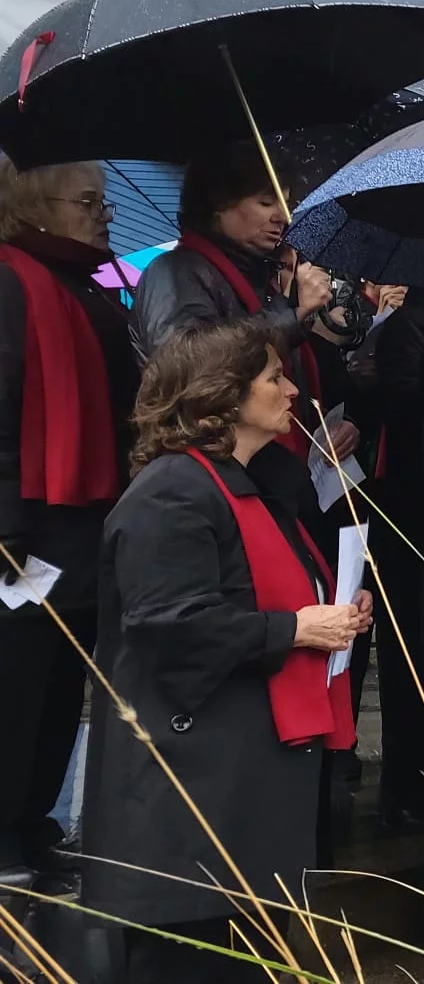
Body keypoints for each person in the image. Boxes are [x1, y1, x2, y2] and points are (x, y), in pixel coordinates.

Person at [84, 319, 372, 982]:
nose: (292, 390)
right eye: (274, 377)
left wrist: (333, 609)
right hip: (190, 808)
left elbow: (275, 593)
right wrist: (295, 630)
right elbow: (170, 627)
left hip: (238, 794)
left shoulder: (246, 484)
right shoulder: (171, 491)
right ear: (223, 394)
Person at [0, 159, 141, 890]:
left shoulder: (86, 286)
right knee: (16, 685)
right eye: (88, 201)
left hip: (84, 520)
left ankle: (32, 821)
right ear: (33, 205)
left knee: (60, 685)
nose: (103, 215)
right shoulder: (10, 282)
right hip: (30, 527)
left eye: (104, 202)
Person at [132, 142, 357, 466]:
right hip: (217, 461)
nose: (283, 217)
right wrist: (293, 316)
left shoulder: (257, 275)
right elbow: (185, 357)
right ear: (219, 204)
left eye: (286, 203)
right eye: (266, 202)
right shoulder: (175, 272)